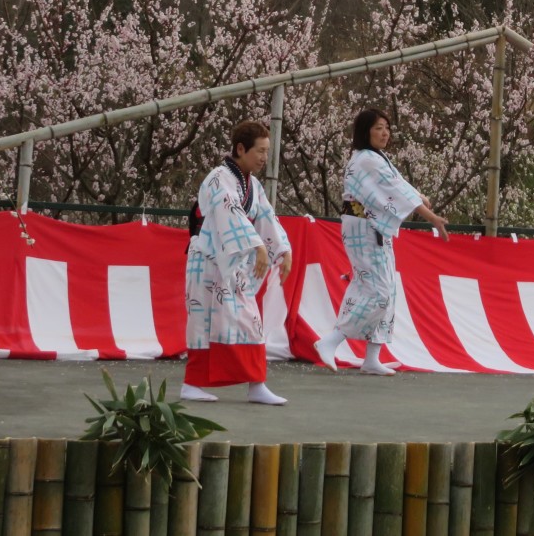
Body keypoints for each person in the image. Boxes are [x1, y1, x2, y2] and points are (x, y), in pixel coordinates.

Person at [313, 109, 449, 376]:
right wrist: (431, 217)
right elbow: (396, 191)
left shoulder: (375, 158)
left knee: (384, 287)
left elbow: (397, 184)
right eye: (378, 127)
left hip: (371, 228)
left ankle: (372, 357)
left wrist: (418, 195)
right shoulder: (366, 160)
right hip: (364, 228)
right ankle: (331, 341)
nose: (384, 132)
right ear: (365, 131)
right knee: (379, 292)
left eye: (387, 127)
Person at [182, 119, 293, 405]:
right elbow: (228, 212)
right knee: (202, 324)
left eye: (267, 151)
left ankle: (257, 384)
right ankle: (192, 384)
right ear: (240, 149)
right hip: (208, 261)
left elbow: (267, 216)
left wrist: (283, 250)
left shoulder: (253, 185)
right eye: (259, 151)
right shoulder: (219, 178)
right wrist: (257, 246)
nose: (264, 158)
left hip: (232, 264)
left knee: (249, 320)